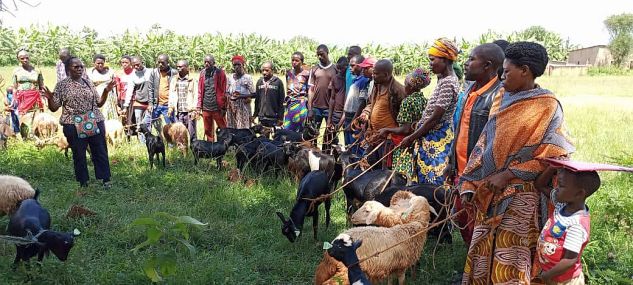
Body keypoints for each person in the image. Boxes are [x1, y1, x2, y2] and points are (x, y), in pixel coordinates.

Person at [458, 42, 575, 284]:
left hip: (522, 197)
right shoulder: (503, 97)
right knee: (480, 252)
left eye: (507, 71)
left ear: (525, 70)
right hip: (489, 192)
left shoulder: (547, 105)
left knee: (511, 260)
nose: (502, 77)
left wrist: (509, 174)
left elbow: (555, 154)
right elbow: (485, 143)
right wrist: (470, 182)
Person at [448, 43, 505, 246]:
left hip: (479, 177)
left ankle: (476, 274)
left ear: (487, 65)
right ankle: (469, 269)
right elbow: (461, 132)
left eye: (472, 59)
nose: (466, 63)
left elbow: (494, 142)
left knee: (479, 228)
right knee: (462, 220)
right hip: (461, 172)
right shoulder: (471, 90)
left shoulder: (499, 96)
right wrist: (451, 163)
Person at [42, 56, 115, 188]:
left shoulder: (88, 82)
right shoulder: (62, 85)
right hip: (73, 123)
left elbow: (99, 103)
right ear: (68, 69)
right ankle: (83, 182)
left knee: (100, 151)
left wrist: (106, 91)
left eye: (81, 66)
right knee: (79, 153)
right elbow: (54, 107)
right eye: (76, 67)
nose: (80, 69)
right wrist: (49, 98)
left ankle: (105, 180)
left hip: (94, 120)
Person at [400, 38, 460, 185]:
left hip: (437, 138)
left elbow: (435, 119)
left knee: (433, 181)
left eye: (433, 60)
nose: (430, 63)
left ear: (445, 60)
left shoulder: (448, 83)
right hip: (431, 135)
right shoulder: (443, 79)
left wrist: (411, 137)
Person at [534, 165, 599, 285]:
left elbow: (569, 260)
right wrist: (552, 168)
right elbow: (540, 185)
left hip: (564, 280)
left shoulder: (576, 225)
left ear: (579, 193)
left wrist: (548, 276)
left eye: (561, 185)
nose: (556, 188)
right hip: (552, 274)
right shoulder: (561, 205)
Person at [378, 68, 431, 183]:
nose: (404, 86)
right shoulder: (423, 100)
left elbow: (405, 129)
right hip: (418, 143)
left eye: (405, 84)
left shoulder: (408, 102)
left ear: (411, 87)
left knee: (402, 177)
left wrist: (387, 129)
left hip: (405, 143)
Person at [358, 59, 406, 169]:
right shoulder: (377, 85)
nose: (373, 75)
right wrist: (365, 113)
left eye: (376, 73)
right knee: (370, 168)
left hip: (389, 140)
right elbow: (371, 103)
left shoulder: (398, 91)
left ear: (386, 74)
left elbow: (405, 120)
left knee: (384, 171)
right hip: (374, 137)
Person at [12, 49, 45, 136]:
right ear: (18, 59)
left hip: (35, 98)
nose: (25, 60)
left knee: (36, 118)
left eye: (27, 57)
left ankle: (37, 138)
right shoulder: (16, 71)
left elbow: (42, 86)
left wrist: (45, 98)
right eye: (22, 58)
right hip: (22, 99)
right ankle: (25, 139)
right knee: (24, 118)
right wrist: (13, 100)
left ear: (29, 57)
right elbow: (15, 87)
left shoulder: (37, 70)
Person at [197, 55, 228, 141]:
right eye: (205, 62)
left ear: (213, 63)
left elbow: (224, 90)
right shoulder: (202, 73)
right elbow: (200, 90)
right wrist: (199, 106)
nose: (206, 64)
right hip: (206, 108)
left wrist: (223, 107)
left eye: (209, 62)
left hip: (217, 108)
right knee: (208, 130)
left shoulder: (220, 73)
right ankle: (211, 148)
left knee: (223, 129)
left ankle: (223, 147)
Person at [307, 44, 336, 130]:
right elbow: (311, 90)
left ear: (327, 53)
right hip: (316, 107)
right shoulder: (314, 69)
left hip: (329, 108)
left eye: (322, 54)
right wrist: (310, 109)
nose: (320, 57)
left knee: (329, 135)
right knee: (313, 134)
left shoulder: (335, 69)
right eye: (318, 55)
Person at [123, 56, 152, 142]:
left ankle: (151, 141)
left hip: (150, 102)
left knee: (149, 122)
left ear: (142, 62)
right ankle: (142, 142)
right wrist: (126, 105)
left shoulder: (151, 72)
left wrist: (152, 102)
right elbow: (129, 92)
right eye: (133, 65)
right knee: (139, 123)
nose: (136, 67)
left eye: (137, 64)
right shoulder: (132, 76)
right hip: (139, 102)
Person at [341, 54, 366, 151]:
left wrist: (353, 122)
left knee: (355, 147)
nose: (350, 68)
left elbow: (361, 104)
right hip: (348, 117)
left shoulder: (363, 81)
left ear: (360, 66)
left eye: (352, 65)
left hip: (354, 119)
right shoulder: (356, 80)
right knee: (349, 147)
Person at [169, 60, 198, 139]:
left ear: (187, 68)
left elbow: (196, 95)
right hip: (178, 112)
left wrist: (194, 110)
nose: (179, 68)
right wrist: (170, 107)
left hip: (189, 111)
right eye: (177, 67)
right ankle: (182, 151)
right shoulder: (174, 80)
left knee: (192, 133)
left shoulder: (192, 80)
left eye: (181, 67)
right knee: (180, 134)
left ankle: (194, 150)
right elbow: (171, 94)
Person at [325, 56, 349, 150]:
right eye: (338, 68)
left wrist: (341, 122)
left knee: (348, 142)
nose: (339, 71)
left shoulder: (351, 79)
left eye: (341, 68)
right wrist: (329, 119)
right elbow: (332, 98)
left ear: (346, 67)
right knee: (330, 139)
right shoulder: (335, 78)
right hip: (336, 113)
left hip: (347, 115)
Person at [149, 54, 177, 131]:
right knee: (155, 124)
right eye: (159, 62)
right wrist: (150, 103)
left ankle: (172, 142)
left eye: (163, 63)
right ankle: (161, 139)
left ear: (168, 63)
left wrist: (172, 105)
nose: (160, 65)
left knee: (170, 126)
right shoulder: (154, 73)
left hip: (168, 105)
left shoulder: (174, 73)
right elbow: (150, 89)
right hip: (157, 105)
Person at [283, 52, 310, 132]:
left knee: (300, 129)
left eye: (296, 60)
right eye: (292, 60)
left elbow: (309, 90)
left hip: (301, 104)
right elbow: (287, 88)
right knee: (287, 129)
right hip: (290, 103)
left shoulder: (306, 74)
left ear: (302, 62)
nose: (294, 62)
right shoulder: (289, 73)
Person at [226, 55, 255, 129]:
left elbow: (254, 94)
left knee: (243, 130)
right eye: (234, 65)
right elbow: (226, 92)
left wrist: (240, 96)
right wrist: (229, 98)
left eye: (238, 64)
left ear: (243, 65)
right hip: (231, 107)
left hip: (243, 107)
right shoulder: (230, 77)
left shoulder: (247, 78)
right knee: (232, 129)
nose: (236, 67)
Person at [254, 62, 285, 128]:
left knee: (274, 135)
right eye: (263, 70)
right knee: (263, 136)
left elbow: (281, 101)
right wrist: (255, 114)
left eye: (267, 70)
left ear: (272, 70)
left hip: (273, 116)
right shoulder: (259, 82)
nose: (264, 72)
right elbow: (257, 100)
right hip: (262, 116)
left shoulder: (278, 82)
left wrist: (280, 117)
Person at [88, 54, 118, 120]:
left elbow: (114, 87)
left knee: (109, 114)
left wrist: (116, 99)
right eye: (98, 63)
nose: (100, 65)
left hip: (109, 98)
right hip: (97, 98)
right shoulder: (90, 73)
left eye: (102, 63)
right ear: (94, 63)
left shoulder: (110, 72)